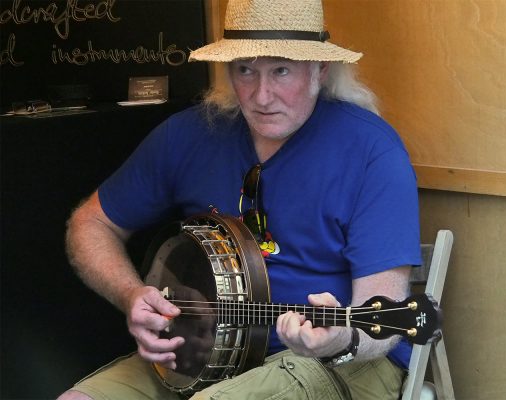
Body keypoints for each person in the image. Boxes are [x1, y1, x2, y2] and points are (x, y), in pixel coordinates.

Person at [58, 0, 422, 399]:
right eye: (245, 69)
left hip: (336, 364)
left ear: (320, 69)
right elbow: (90, 224)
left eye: (281, 70)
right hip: (202, 355)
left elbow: (382, 313)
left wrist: (339, 339)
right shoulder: (189, 135)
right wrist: (130, 295)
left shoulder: (371, 149)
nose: (262, 96)